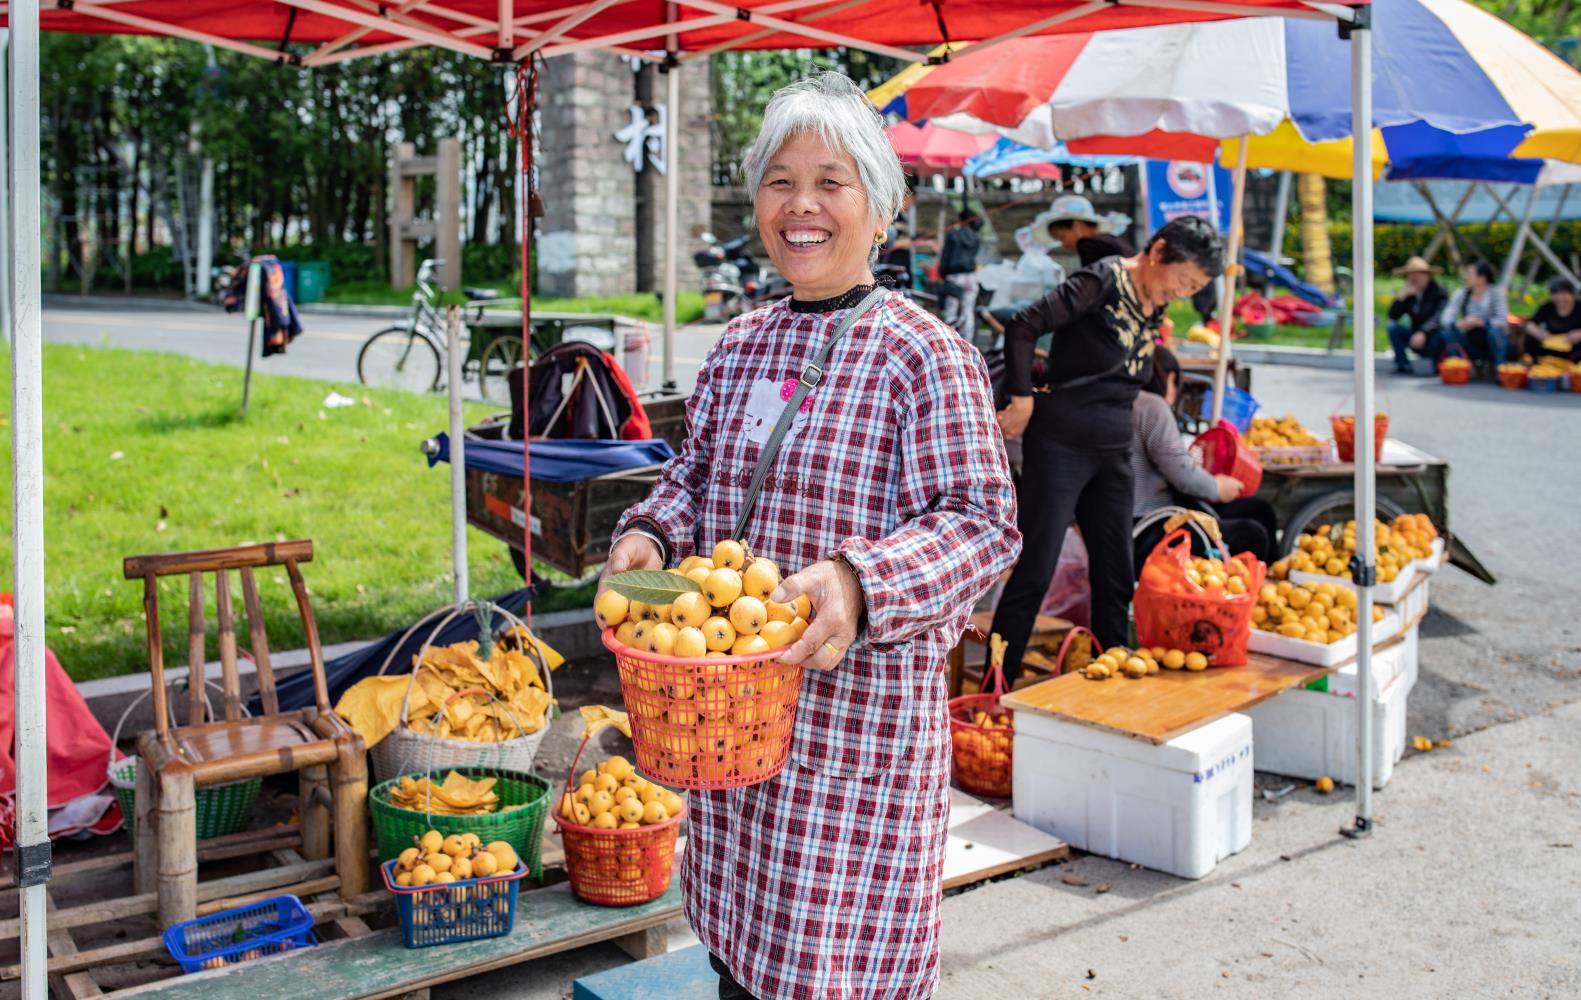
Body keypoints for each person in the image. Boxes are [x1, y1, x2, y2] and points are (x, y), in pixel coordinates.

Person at [599, 72, 1020, 1000]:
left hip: (852, 731)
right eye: (779, 180)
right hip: (728, 726)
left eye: (831, 180)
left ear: (880, 206)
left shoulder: (922, 353)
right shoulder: (740, 345)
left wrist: (859, 580)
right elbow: (696, 478)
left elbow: (982, 522)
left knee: (834, 966)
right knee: (736, 955)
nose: (801, 204)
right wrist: (652, 541)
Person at [991, 215, 1224, 681]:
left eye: (1192, 286)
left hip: (1113, 449)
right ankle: (998, 689)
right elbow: (1023, 325)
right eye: (1181, 279)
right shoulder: (1102, 280)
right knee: (1035, 570)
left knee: (1115, 572)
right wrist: (1020, 400)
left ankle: (1111, 672)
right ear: (1157, 253)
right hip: (1060, 445)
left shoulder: (1151, 299)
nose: (1180, 291)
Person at [1130, 347, 1280, 568]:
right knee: (1252, 535)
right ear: (1170, 378)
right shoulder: (1151, 407)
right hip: (1148, 526)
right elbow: (1180, 472)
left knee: (1260, 509)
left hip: (1157, 514)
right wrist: (1217, 487)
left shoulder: (1133, 402)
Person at [1440, 260, 1509, 374]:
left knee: (1494, 331)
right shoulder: (1463, 294)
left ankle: (1499, 369)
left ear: (1482, 278)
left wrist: (1480, 323)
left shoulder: (1497, 294)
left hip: (1493, 340)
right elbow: (1446, 317)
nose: (1466, 277)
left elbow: (1502, 320)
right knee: (1448, 333)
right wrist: (1460, 324)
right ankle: (1459, 368)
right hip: (1471, 338)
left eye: (1470, 274)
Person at [1384, 256, 1449, 374]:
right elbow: (1392, 316)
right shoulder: (1409, 295)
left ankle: (1438, 367)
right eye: (1410, 275)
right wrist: (1401, 298)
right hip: (1414, 336)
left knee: (1441, 335)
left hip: (1432, 335)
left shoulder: (1439, 292)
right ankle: (1402, 365)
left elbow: (1438, 317)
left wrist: (1423, 332)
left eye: (1418, 274)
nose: (1414, 278)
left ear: (1427, 276)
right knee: (1393, 328)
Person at [1031, 194, 1134, 268]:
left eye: (1062, 237)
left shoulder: (1089, 246)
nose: (1063, 245)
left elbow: (1091, 286)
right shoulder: (1111, 242)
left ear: (1077, 225)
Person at [939, 207, 984, 339]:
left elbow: (946, 256)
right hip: (971, 276)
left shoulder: (953, 234)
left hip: (954, 277)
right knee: (968, 312)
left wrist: (943, 274)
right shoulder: (976, 237)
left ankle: (948, 340)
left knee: (951, 311)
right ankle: (968, 341)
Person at [1513, 276, 1581, 363]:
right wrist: (1538, 333)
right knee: (1531, 338)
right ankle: (1533, 363)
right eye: (1555, 294)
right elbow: (1528, 323)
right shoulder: (1547, 307)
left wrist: (1579, 334)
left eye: (1564, 294)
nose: (1560, 298)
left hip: (1574, 351)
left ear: (1572, 294)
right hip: (1549, 348)